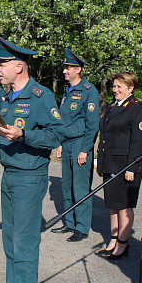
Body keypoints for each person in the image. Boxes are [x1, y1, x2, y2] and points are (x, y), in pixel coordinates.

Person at [0, 35, 64, 283]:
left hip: (30, 177)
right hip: (10, 174)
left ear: (18, 66)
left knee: (24, 240)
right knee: (9, 237)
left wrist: (24, 134)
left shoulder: (41, 96)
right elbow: (7, 131)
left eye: (1, 64)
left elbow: (56, 134)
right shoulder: (8, 97)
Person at [96, 71, 142, 259]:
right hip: (111, 163)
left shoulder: (137, 108)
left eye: (119, 86)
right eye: (114, 86)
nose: (115, 90)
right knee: (113, 204)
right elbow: (105, 137)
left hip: (126, 166)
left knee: (125, 205)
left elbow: (139, 141)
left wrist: (132, 167)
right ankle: (113, 240)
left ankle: (123, 245)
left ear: (130, 88)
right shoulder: (111, 107)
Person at [51, 48, 100, 242]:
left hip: (80, 144)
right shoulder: (67, 91)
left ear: (78, 69)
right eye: (64, 67)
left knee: (80, 188)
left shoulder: (89, 91)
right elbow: (64, 120)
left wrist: (85, 149)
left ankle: (82, 227)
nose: (64, 71)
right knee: (66, 186)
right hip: (68, 143)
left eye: (68, 67)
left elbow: (92, 124)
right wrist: (61, 143)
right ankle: (69, 222)